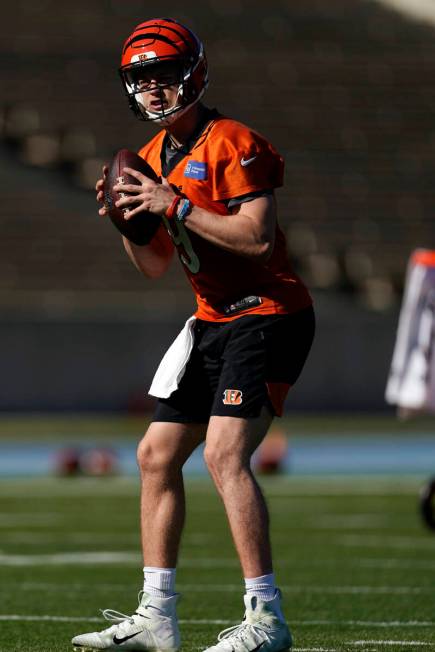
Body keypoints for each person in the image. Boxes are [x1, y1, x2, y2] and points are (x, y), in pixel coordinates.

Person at [72, 17, 315, 652]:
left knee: (223, 455)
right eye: (140, 80)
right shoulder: (151, 158)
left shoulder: (233, 141)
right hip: (211, 319)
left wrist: (174, 204)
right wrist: (128, 225)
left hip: (267, 311)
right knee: (155, 456)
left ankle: (267, 618)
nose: (151, 91)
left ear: (194, 75)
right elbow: (155, 264)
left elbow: (258, 240)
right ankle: (157, 616)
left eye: (161, 75)